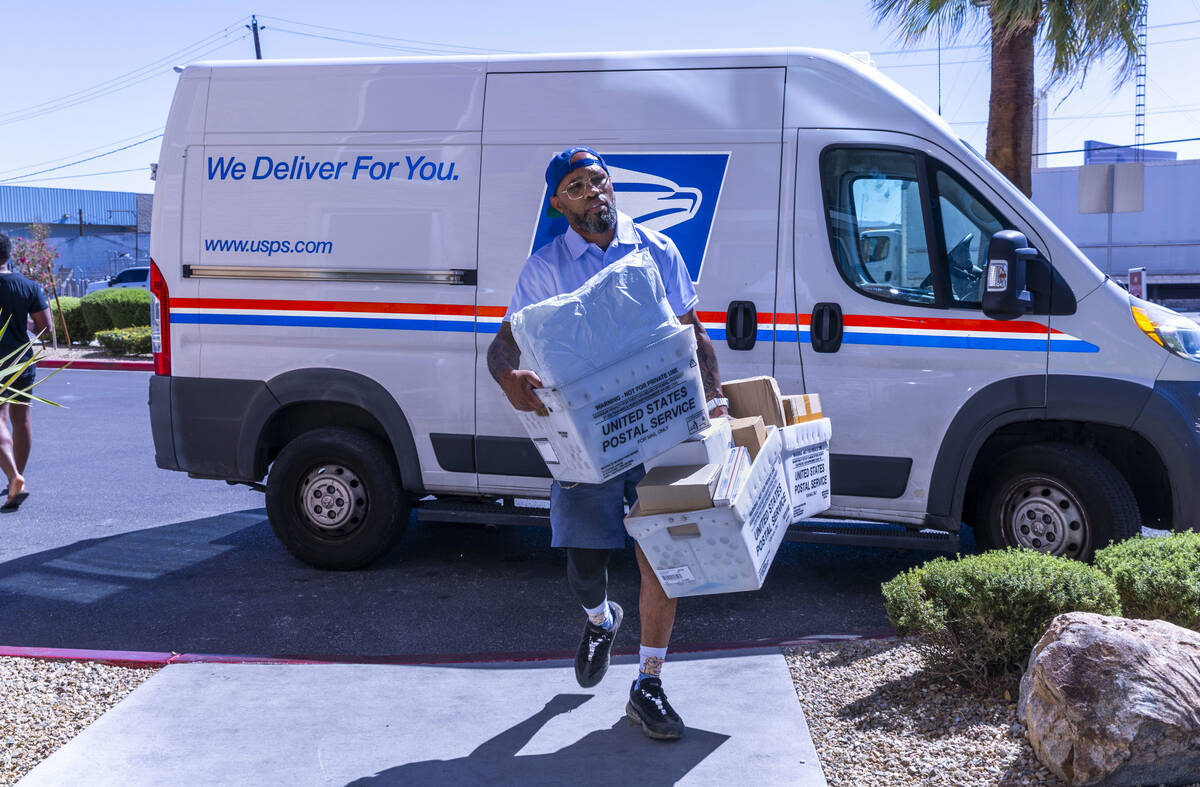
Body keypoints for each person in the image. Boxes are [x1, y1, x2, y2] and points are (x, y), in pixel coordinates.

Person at [487, 147, 729, 741]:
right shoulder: (543, 270)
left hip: (661, 429)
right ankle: (600, 619)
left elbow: (693, 334)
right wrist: (509, 379)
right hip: (590, 438)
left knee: (662, 560)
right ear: (558, 203)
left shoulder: (657, 250)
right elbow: (503, 349)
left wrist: (717, 399)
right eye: (577, 185)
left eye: (598, 180)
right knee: (584, 564)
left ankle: (649, 682)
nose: (593, 191)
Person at [0, 232, 55, 512]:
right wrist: (22, 329)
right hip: (21, 360)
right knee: (21, 420)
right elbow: (45, 326)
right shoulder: (28, 285)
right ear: (8, 254)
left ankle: (14, 478)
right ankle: (15, 478)